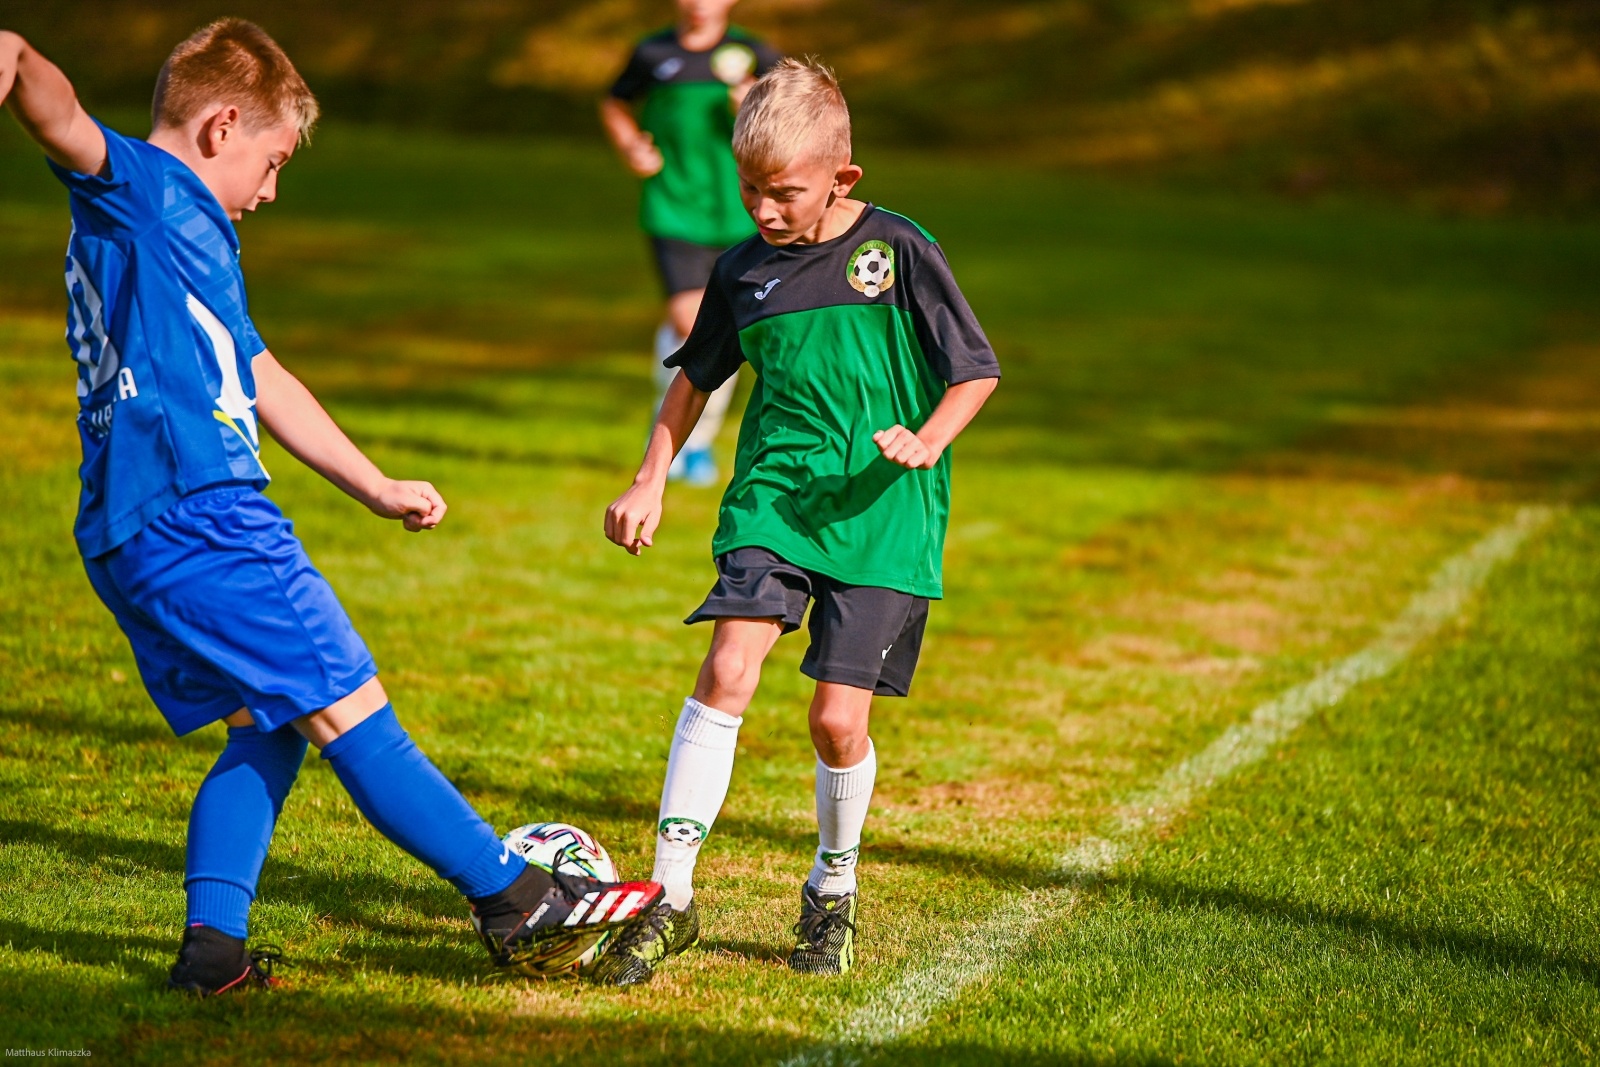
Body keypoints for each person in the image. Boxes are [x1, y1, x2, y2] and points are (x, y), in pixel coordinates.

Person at [0, 20, 662, 996]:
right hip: (203, 513)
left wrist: (375, 483)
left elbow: (261, 372)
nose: (270, 193)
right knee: (352, 706)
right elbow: (56, 113)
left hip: (130, 530)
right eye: (271, 163)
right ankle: (513, 896)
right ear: (223, 127)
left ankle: (211, 956)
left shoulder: (192, 236)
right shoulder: (141, 188)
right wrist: (12, 56)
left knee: (267, 722)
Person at [599, 58, 1001, 984]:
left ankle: (833, 888)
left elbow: (974, 369)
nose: (764, 211)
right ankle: (670, 897)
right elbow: (693, 378)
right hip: (774, 499)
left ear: (842, 179)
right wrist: (651, 478)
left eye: (784, 193)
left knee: (834, 721)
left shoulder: (898, 251)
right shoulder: (739, 270)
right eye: (751, 191)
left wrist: (929, 440)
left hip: (882, 512)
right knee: (727, 668)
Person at [601, 0, 781, 487]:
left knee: (732, 327)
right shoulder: (653, 52)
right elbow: (615, 101)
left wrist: (753, 106)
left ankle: (694, 442)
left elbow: (792, 121)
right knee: (690, 321)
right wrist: (630, 144)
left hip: (743, 211)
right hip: (674, 206)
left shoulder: (754, 53)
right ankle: (669, 436)